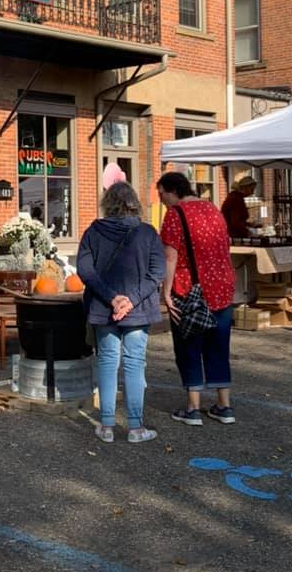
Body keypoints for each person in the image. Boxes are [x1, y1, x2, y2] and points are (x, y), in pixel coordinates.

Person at [76, 181, 165, 444]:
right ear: (134, 203)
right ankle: (136, 428)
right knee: (135, 364)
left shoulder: (93, 231)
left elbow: (85, 270)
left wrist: (112, 298)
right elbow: (156, 273)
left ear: (108, 204)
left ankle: (106, 426)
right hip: (137, 310)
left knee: (106, 361)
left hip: (104, 310)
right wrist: (131, 300)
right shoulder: (148, 233)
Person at [157, 171, 236, 427]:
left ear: (171, 190)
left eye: (161, 194)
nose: (161, 201)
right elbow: (226, 244)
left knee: (189, 346)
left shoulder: (175, 214)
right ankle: (224, 405)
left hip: (189, 289)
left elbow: (170, 257)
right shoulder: (213, 208)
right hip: (221, 286)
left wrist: (166, 291)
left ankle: (193, 408)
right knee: (219, 345)